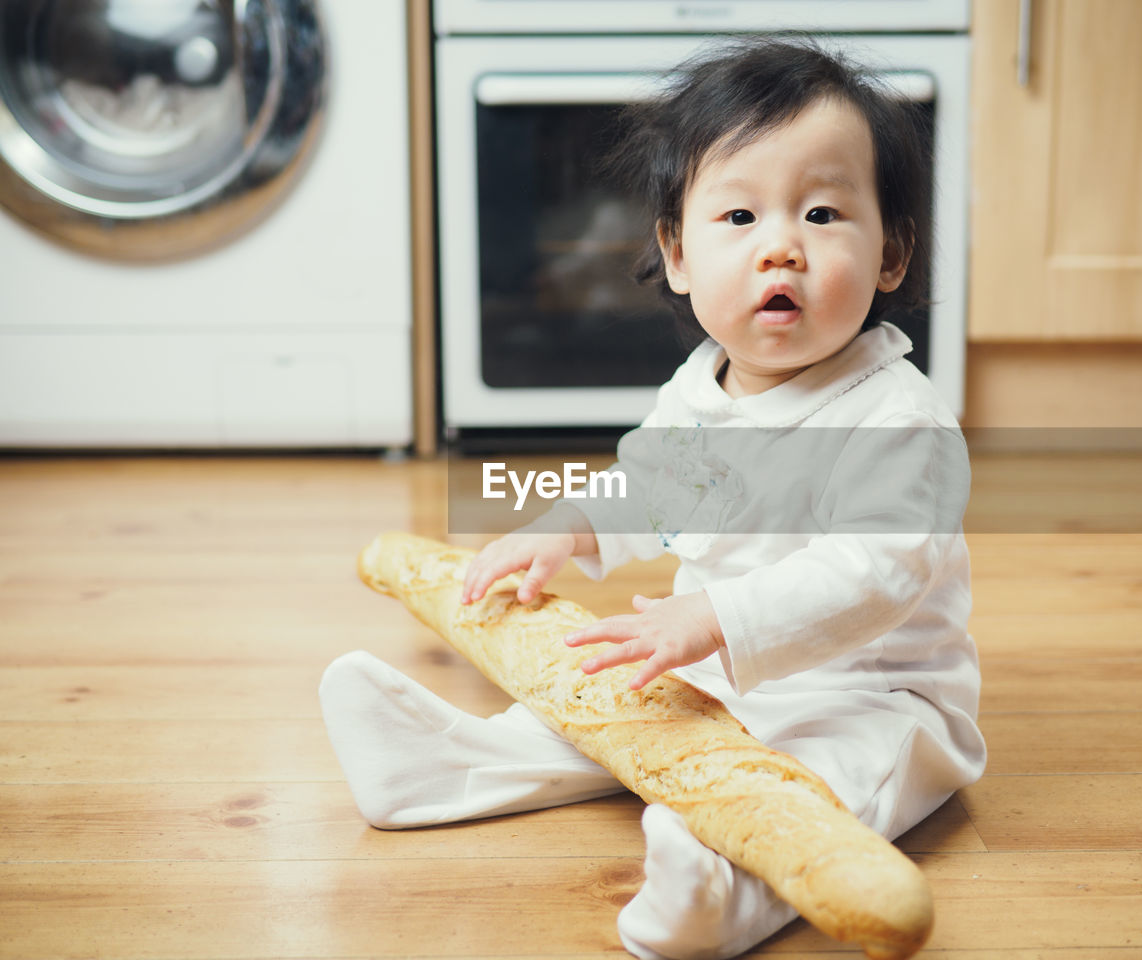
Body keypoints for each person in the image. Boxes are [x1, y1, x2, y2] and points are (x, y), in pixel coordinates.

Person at [321, 37, 986, 959]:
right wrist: (571, 528)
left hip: (869, 693)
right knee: (599, 708)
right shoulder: (703, 386)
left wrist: (713, 616)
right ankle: (444, 767)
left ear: (892, 255)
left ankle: (715, 897)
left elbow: (872, 574)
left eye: (823, 212)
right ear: (677, 253)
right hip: (713, 660)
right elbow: (660, 484)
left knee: (808, 793)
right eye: (741, 215)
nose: (780, 246)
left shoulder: (897, 422)